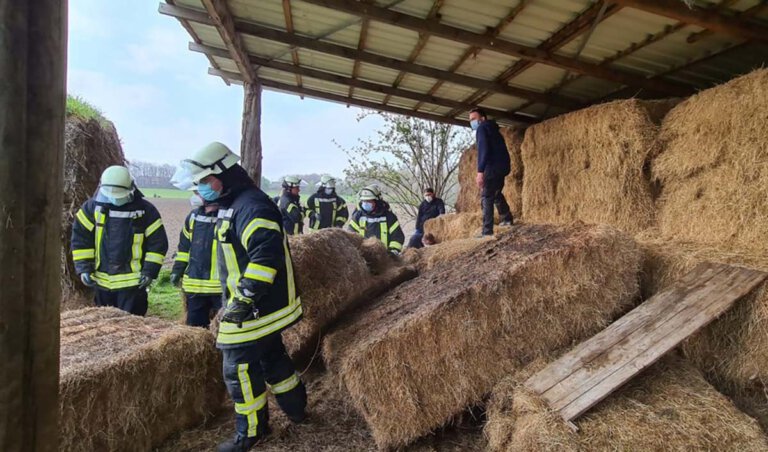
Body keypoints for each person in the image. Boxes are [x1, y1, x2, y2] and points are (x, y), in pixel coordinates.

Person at [174, 142, 307, 452]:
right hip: (262, 304)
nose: (202, 188)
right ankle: (297, 408)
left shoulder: (251, 206)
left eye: (206, 181)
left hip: (254, 305)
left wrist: (245, 297)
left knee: (238, 368)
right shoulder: (235, 202)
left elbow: (266, 255)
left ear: (224, 174)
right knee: (271, 356)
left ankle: (251, 432)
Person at [71, 165, 168, 316]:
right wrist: (83, 268)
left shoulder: (146, 211)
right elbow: (81, 240)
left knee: (132, 330)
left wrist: (149, 271)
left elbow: (157, 244)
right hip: (101, 283)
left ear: (131, 188)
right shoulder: (91, 208)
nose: (115, 199)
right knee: (105, 330)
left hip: (133, 286)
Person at [169, 190, 222, 328]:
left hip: (221, 288)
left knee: (224, 329)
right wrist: (177, 270)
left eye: (198, 192)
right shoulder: (193, 217)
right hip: (195, 286)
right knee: (195, 330)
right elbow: (184, 249)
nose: (196, 195)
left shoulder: (230, 216)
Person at [470, 107, 513, 236]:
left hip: (492, 167)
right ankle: (507, 218)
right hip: (502, 167)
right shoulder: (495, 130)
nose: (471, 122)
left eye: (473, 119)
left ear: (482, 119)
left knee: (486, 197)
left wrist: (480, 171)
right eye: (470, 120)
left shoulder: (482, 129)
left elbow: (483, 150)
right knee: (496, 193)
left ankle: (487, 231)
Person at [346, 185, 404, 255]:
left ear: (377, 201)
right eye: (364, 201)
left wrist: (392, 252)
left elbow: (397, 237)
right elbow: (350, 236)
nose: (365, 203)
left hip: (384, 257)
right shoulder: (357, 217)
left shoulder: (389, 217)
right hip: (363, 256)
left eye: (369, 201)